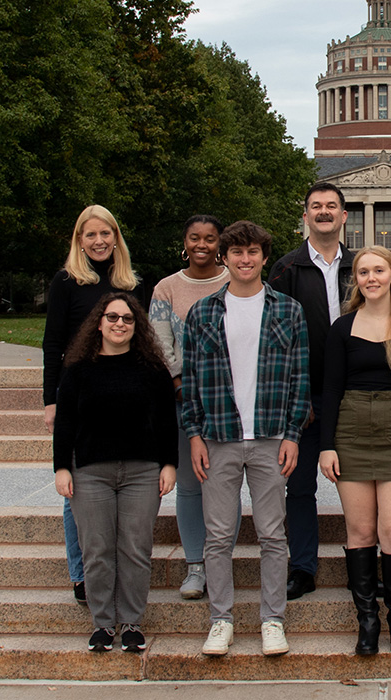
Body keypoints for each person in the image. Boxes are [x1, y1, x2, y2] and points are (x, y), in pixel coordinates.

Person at [183, 221, 310, 658]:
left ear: (263, 257)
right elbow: (191, 381)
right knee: (219, 536)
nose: (244, 259)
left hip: (271, 437)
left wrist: (293, 434)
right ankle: (222, 619)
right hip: (219, 436)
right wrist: (194, 435)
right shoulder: (203, 312)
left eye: (252, 252)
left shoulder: (287, 310)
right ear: (225, 257)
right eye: (236, 252)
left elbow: (300, 379)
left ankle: (272, 619)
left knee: (273, 535)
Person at [319, 246, 391, 656]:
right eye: (363, 271)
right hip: (350, 432)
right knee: (362, 533)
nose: (370, 278)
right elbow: (330, 389)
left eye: (378, 270)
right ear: (358, 280)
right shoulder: (342, 327)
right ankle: (367, 620)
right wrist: (326, 446)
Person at [53, 293, 177, 653]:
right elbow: (64, 424)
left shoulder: (152, 370)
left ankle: (133, 623)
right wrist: (62, 468)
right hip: (90, 473)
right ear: (99, 322)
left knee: (136, 549)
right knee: (97, 550)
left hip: (142, 471)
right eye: (112, 317)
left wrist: (169, 463)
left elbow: (167, 423)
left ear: (137, 326)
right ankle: (103, 624)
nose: (119, 324)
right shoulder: (77, 370)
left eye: (127, 319)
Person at [43, 204, 140, 605]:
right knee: (78, 488)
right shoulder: (66, 282)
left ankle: (116, 570)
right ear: (79, 241)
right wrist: (51, 399)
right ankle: (82, 573)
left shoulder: (132, 284)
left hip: (125, 396)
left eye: (106, 234)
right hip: (79, 395)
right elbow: (52, 343)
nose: (99, 241)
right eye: (90, 235)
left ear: (116, 237)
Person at [269, 181, 354, 601]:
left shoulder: (363, 267)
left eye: (331, 206)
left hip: (356, 397)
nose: (323, 212)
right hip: (304, 399)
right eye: (316, 207)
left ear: (343, 216)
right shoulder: (286, 270)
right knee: (299, 487)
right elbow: (275, 341)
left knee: (359, 485)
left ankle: (363, 561)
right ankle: (302, 566)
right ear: (306, 216)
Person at [150, 215, 230, 600]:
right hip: (185, 401)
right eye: (195, 238)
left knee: (228, 485)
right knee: (190, 486)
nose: (202, 244)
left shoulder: (235, 280)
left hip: (232, 402)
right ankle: (196, 565)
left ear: (220, 242)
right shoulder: (167, 288)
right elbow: (160, 345)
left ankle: (220, 560)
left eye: (210, 238)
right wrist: (182, 384)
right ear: (185, 241)